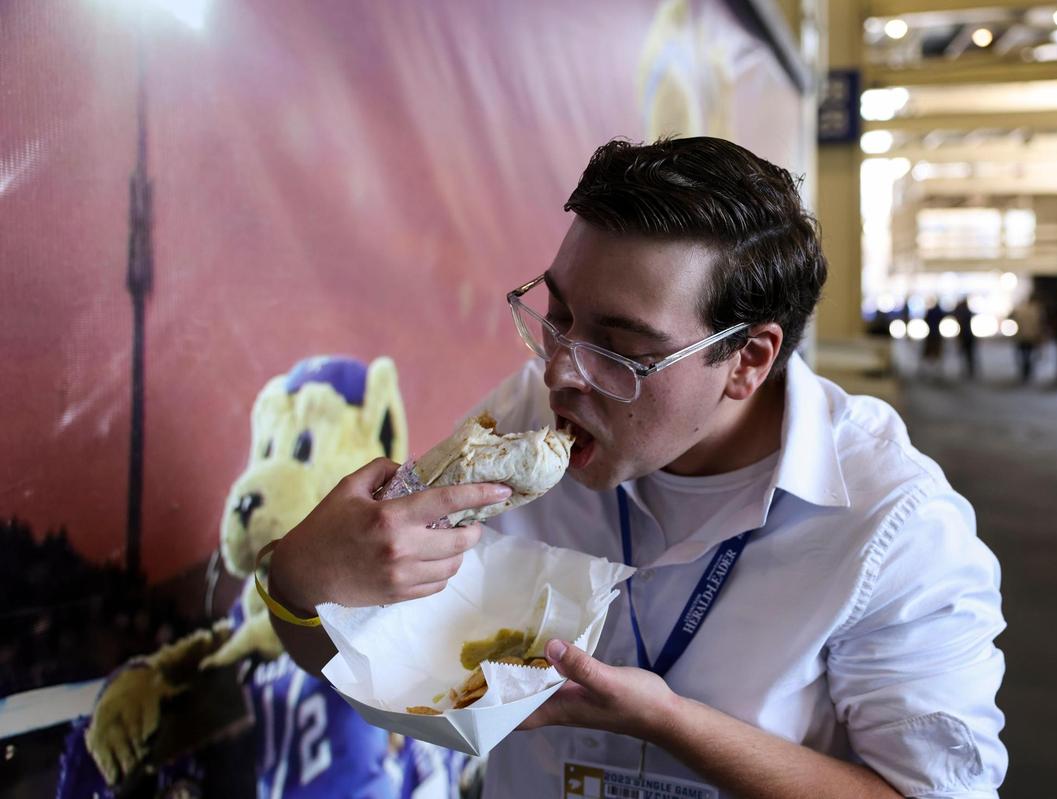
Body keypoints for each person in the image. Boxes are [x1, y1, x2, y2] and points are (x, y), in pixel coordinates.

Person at [264, 137, 1007, 798]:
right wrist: (302, 586)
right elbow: (367, 659)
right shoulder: (524, 419)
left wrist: (673, 724)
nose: (560, 372)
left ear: (748, 360)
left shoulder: (893, 525)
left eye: (618, 349)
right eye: (557, 316)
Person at [1011, 295, 1044, 383]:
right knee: (1030, 354)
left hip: (1021, 336)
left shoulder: (1020, 310)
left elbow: (1015, 321)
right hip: (1031, 336)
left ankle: (1025, 370)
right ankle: (1028, 370)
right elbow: (1038, 324)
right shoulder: (1035, 310)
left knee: (1023, 354)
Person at [952, 297, 977, 379]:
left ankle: (969, 370)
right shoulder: (966, 312)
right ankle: (970, 370)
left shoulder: (963, 312)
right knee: (969, 354)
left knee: (967, 354)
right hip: (968, 336)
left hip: (965, 336)